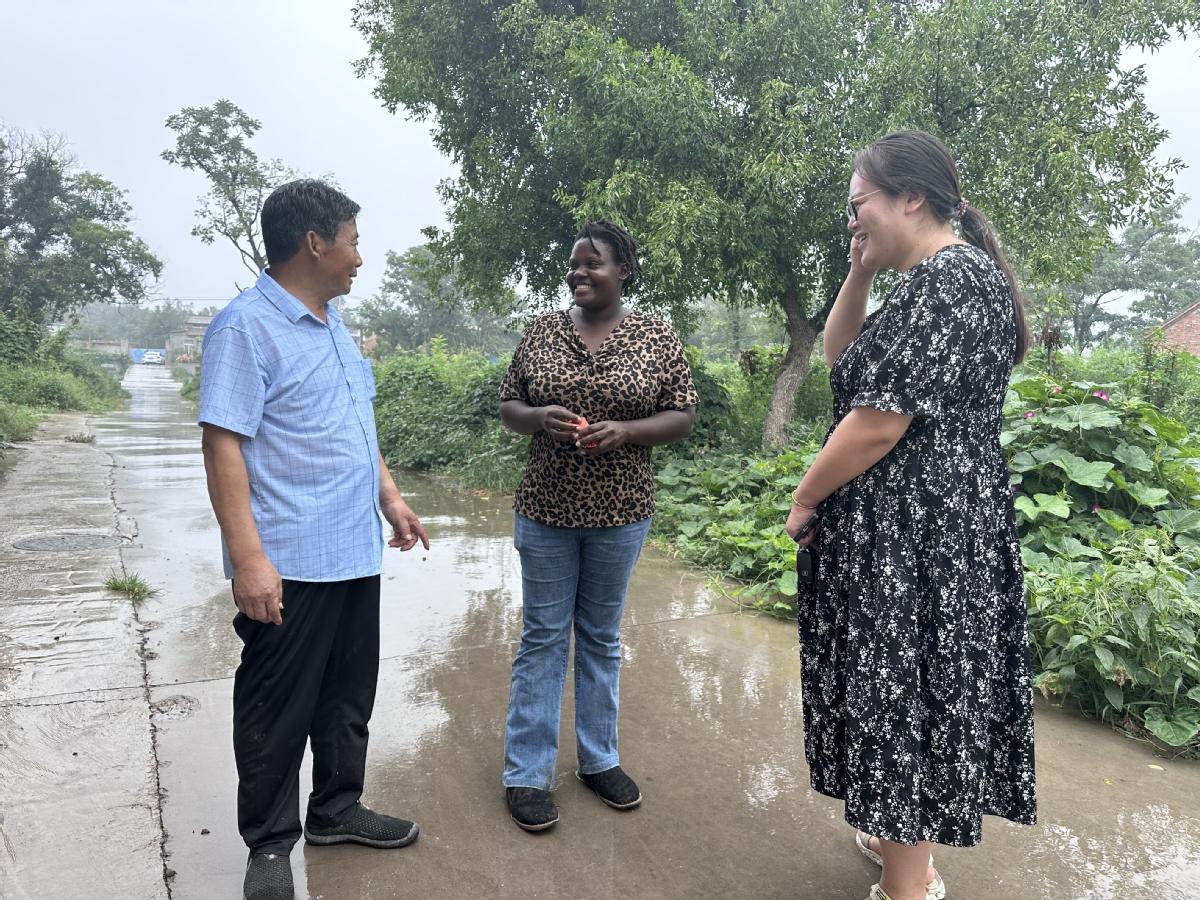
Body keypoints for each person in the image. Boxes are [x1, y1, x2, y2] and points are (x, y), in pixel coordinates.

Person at [785, 131, 1036, 900]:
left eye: (859, 206)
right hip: (924, 527)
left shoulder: (947, 283)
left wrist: (806, 495)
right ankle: (902, 852)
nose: (852, 220)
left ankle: (908, 884)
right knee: (907, 688)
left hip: (918, 535)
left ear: (911, 198)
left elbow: (875, 422)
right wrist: (858, 271)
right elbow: (843, 362)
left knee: (902, 694)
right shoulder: (932, 281)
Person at [198, 179, 429, 900]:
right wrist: (249, 560)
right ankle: (269, 845)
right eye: (354, 240)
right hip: (290, 561)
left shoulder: (331, 326)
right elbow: (223, 444)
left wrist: (390, 498)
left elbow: (356, 427)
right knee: (276, 708)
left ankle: (336, 810)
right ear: (315, 243)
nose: (361, 256)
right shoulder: (245, 328)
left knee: (346, 698)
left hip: (351, 551)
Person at [497, 219, 698, 831]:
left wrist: (629, 432)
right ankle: (527, 773)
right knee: (542, 637)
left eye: (593, 262)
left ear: (623, 271)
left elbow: (683, 415)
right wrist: (538, 418)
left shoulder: (655, 336)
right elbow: (509, 405)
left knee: (602, 638)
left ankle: (598, 760)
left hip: (620, 515)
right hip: (547, 511)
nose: (578, 271)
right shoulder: (541, 332)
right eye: (574, 262)